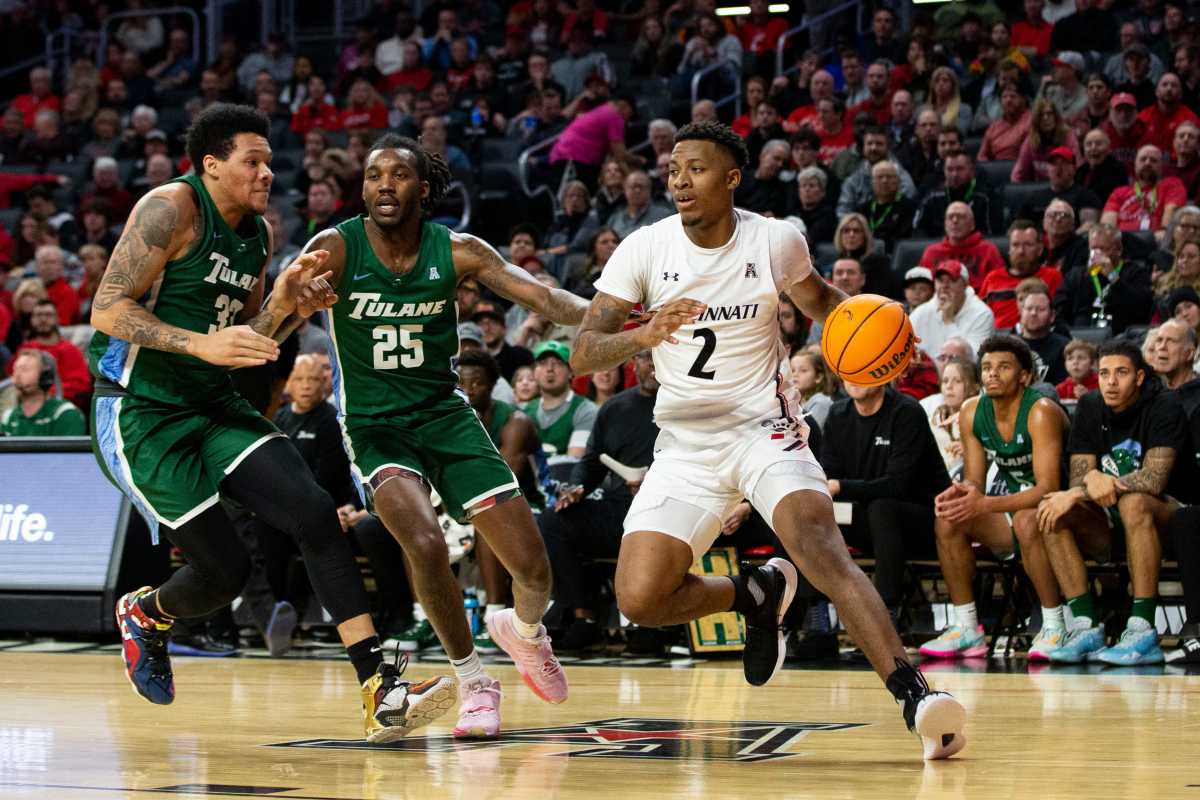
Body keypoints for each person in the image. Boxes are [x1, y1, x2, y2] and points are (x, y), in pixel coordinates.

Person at [570, 121, 966, 760]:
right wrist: (642, 336)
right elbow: (583, 352)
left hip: (764, 428)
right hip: (684, 445)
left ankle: (914, 693)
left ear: (731, 179)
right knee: (640, 599)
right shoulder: (643, 249)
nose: (679, 181)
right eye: (673, 170)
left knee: (818, 545)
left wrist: (885, 330)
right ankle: (756, 592)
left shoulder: (774, 240)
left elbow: (824, 304)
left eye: (695, 169)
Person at [86, 104, 453, 741]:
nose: (265, 172)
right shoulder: (170, 208)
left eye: (268, 161)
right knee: (221, 574)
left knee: (313, 512)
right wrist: (199, 345)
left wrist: (287, 307)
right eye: (251, 161)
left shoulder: (257, 232)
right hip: (141, 410)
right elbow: (106, 309)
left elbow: (251, 339)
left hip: (214, 404)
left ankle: (378, 689)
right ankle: (146, 613)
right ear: (211, 166)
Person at [292, 132, 592, 739]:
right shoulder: (335, 246)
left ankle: (526, 633)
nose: (382, 185)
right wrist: (296, 297)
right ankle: (475, 681)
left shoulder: (457, 251)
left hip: (445, 417)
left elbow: (542, 295)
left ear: (422, 190)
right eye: (373, 175)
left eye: (396, 176)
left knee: (534, 573)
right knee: (424, 543)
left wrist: (619, 312)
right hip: (377, 428)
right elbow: (279, 307)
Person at [1037, 340, 1190, 665]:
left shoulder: (1164, 404)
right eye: (1104, 373)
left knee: (1134, 502)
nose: (1110, 381)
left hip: (1172, 519)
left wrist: (1083, 489)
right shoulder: (1091, 405)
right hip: (1108, 518)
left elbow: (1153, 480)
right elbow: (1081, 477)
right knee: (1052, 509)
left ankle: (1142, 629)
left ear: (1139, 377)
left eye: (1121, 373)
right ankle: (1084, 626)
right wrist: (1085, 485)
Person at [920, 336, 1069, 661]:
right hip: (1016, 508)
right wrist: (962, 493)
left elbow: (1047, 487)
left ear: (1025, 376)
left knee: (1029, 519)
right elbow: (975, 480)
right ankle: (967, 627)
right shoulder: (972, 411)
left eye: (1003, 367)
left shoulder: (1040, 412)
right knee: (949, 518)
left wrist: (984, 504)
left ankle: (1056, 625)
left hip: (1066, 512)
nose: (992, 374)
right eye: (986, 367)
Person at [540, 349, 658, 651]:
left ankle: (656, 622)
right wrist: (578, 487)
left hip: (667, 507)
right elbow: (592, 461)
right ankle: (583, 617)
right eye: (646, 358)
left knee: (655, 519)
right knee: (553, 521)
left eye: (659, 357)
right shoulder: (616, 408)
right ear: (635, 365)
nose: (653, 365)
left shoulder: (687, 406)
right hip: (620, 507)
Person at [822, 381, 951, 628]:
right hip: (865, 519)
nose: (854, 378)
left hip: (922, 522)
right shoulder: (838, 414)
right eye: (850, 370)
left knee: (883, 507)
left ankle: (885, 621)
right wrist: (833, 487)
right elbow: (828, 475)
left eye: (863, 369)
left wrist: (841, 486)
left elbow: (898, 485)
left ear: (881, 374)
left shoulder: (906, 411)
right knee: (807, 514)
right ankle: (816, 622)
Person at [456, 349, 547, 653]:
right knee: (415, 524)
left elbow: (502, 484)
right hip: (467, 500)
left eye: (477, 384)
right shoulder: (453, 421)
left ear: (493, 386)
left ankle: (494, 615)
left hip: (529, 501)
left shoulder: (515, 422)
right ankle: (425, 618)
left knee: (489, 519)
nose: (468, 392)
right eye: (461, 384)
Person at [1054, 224, 1153, 334]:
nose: (1096, 254)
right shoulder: (1076, 275)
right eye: (1093, 249)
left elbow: (1143, 308)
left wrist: (1113, 277)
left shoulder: (1136, 272)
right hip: (1079, 337)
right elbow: (1058, 311)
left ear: (1119, 249)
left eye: (1102, 249)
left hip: (1120, 336)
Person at [978, 220, 1064, 330]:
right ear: (1009, 249)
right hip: (999, 340)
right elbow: (980, 317)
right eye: (1015, 245)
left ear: (1040, 249)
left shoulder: (1053, 277)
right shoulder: (992, 278)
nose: (1021, 251)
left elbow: (1058, 317)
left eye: (1028, 245)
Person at [522, 340, 597, 460]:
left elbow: (574, 462)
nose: (549, 369)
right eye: (542, 363)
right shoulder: (525, 411)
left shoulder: (586, 410)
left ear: (571, 372)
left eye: (557, 363)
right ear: (534, 372)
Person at [13, 298, 91, 407]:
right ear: (31, 320)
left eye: (48, 315)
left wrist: (42, 391)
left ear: (57, 319)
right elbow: (13, 381)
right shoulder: (25, 349)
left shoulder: (70, 350)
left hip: (60, 407)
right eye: (38, 315)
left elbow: (80, 386)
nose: (43, 319)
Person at [911, 261, 997, 359]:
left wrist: (948, 322)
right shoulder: (920, 313)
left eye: (951, 280)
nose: (944, 286)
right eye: (940, 280)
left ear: (965, 285)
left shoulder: (982, 314)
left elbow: (973, 361)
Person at [918, 202, 1006, 292]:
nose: (955, 221)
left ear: (972, 225)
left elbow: (999, 283)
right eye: (950, 217)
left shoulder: (988, 250)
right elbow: (921, 286)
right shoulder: (932, 252)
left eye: (961, 217)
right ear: (945, 225)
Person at [1102, 145, 1187, 234]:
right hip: (1124, 241)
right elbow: (1107, 225)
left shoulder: (1172, 184)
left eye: (1153, 160)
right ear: (1135, 164)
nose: (1147, 163)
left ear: (1162, 166)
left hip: (1156, 241)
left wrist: (1164, 231)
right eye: (1143, 159)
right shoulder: (1119, 192)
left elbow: (1171, 214)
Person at [0, 350, 85, 436]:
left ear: (45, 376)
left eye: (25, 369)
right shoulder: (9, 416)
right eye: (15, 369)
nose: (17, 375)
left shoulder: (66, 414)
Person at [927, 357, 980, 478]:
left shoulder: (980, 420)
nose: (949, 387)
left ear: (974, 387)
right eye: (945, 381)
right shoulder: (933, 421)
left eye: (957, 381)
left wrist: (971, 450)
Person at [1015, 279, 1070, 385]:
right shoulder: (1008, 346)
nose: (1033, 313)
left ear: (1052, 316)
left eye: (1041, 309)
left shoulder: (1064, 347)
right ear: (1021, 312)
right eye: (1029, 308)